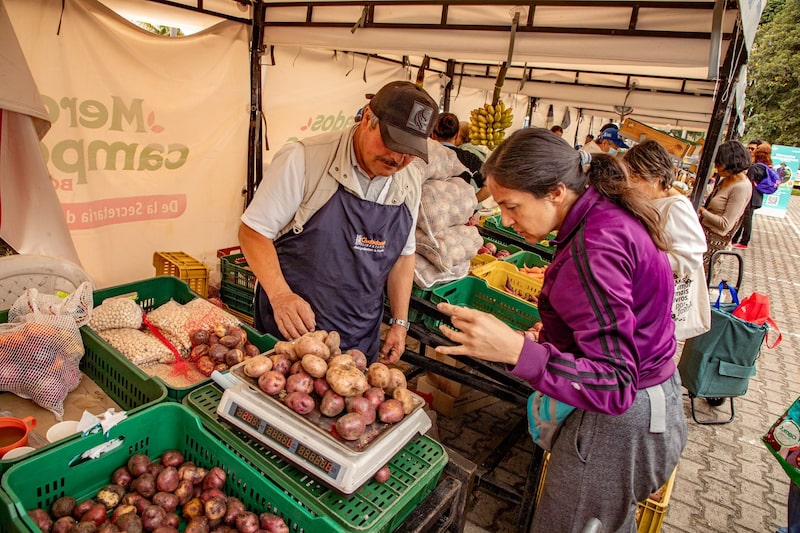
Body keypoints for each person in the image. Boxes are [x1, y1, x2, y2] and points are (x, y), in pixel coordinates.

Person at [434, 128, 686, 532]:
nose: (506, 219)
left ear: (554, 192)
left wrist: (519, 351)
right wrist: (556, 338)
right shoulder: (602, 215)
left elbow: (615, 384)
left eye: (511, 205)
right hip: (650, 404)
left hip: (621, 421)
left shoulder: (595, 249)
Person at [238, 80, 439, 364]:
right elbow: (253, 233)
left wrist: (399, 322)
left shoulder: (410, 181)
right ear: (368, 117)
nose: (397, 158)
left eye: (410, 151)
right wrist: (281, 295)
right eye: (393, 142)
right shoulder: (304, 160)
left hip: (360, 340)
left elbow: (403, 257)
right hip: (293, 338)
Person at [624, 140, 709, 340]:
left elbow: (691, 258)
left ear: (655, 177)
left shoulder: (676, 206)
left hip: (661, 300)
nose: (630, 184)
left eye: (635, 178)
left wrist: (641, 261)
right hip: (646, 297)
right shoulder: (654, 201)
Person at [698, 140, 752, 276]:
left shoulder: (741, 187)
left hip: (712, 245)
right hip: (702, 237)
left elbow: (725, 225)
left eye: (719, 163)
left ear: (730, 162)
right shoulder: (726, 179)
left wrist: (702, 211)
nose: (716, 166)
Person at [431, 112, 490, 201]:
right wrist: (472, 202)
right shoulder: (468, 158)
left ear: (432, 134)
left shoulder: (424, 154)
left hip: (426, 212)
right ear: (457, 135)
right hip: (458, 213)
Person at [733, 143, 772, 249]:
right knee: (745, 218)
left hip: (750, 196)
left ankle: (744, 242)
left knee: (746, 219)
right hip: (757, 196)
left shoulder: (755, 167)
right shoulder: (766, 166)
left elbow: (747, 182)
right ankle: (735, 239)